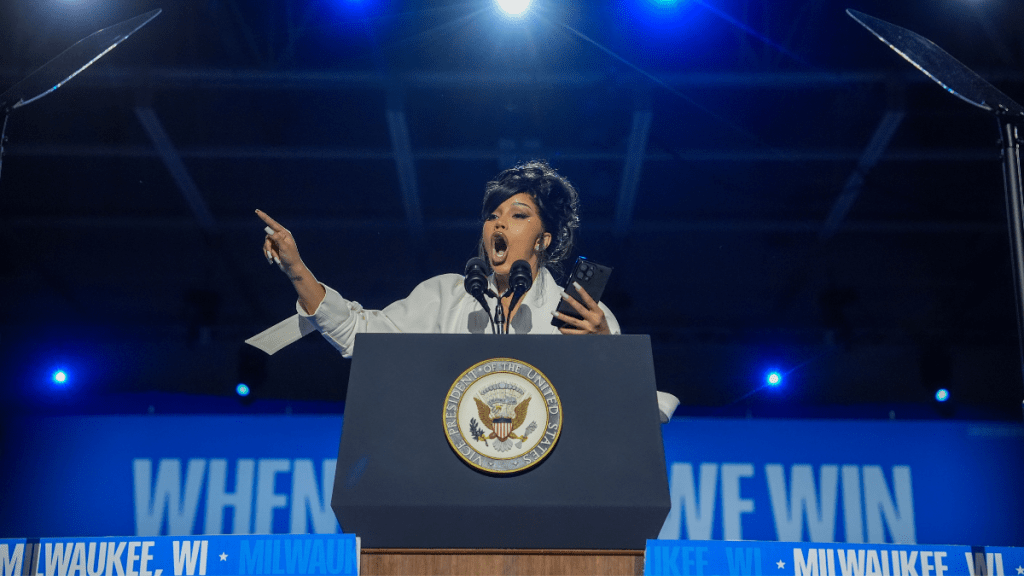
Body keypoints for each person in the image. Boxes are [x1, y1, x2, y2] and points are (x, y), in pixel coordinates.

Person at [255, 160, 678, 421]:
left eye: (516, 215)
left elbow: (629, 415)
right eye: (492, 215)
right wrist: (296, 269)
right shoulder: (444, 298)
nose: (498, 224)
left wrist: (606, 351)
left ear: (543, 240)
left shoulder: (584, 314)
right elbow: (357, 335)